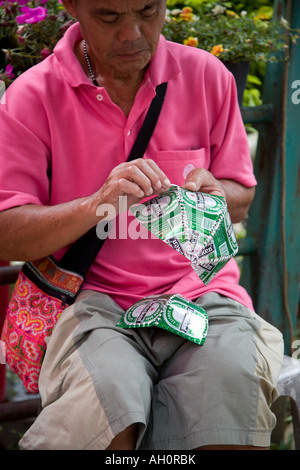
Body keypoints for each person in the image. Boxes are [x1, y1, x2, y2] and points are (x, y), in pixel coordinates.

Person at [0, 0, 283, 450]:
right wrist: (97, 205)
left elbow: (240, 198)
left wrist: (214, 193)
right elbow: (6, 231)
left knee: (232, 393)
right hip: (91, 302)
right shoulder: (32, 96)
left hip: (204, 295)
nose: (132, 34)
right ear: (72, 6)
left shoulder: (208, 76)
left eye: (148, 11)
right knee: (107, 409)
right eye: (109, 17)